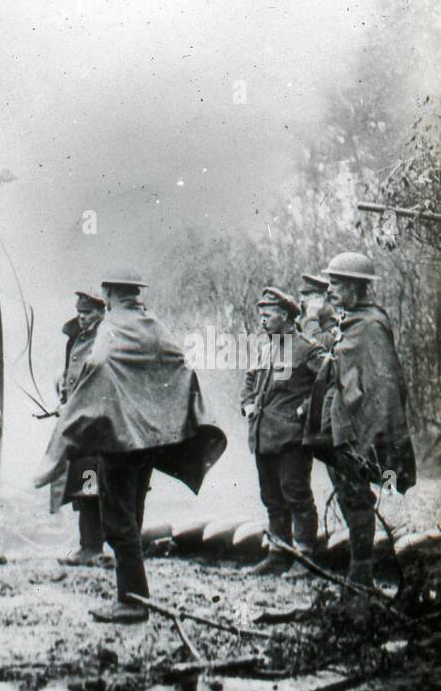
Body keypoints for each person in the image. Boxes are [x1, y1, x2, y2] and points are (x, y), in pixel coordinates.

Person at [35, 267, 226, 623]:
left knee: (118, 524)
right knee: (132, 518)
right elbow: (181, 365)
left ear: (108, 292)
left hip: (120, 440)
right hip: (148, 441)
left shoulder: (112, 326)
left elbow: (99, 362)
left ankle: (132, 602)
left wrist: (92, 401)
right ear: (136, 292)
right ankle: (136, 598)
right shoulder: (154, 325)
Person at [303, 251, 415, 592]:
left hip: (359, 429)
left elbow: (385, 384)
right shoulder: (349, 321)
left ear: (356, 286)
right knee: (348, 495)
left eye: (337, 284)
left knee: (357, 496)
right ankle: (359, 573)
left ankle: (361, 575)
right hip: (339, 427)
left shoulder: (371, 325)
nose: (330, 290)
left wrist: (373, 436)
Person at [241, 287, 320, 577]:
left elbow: (328, 382)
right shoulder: (264, 348)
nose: (262, 320)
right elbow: (249, 382)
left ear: (285, 315)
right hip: (262, 436)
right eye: (260, 315)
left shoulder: (306, 348)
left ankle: (304, 556)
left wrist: (305, 411)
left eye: (268, 315)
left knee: (296, 494)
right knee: (271, 497)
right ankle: (277, 553)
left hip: (291, 438)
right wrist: (247, 404)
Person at [50, 290, 107, 565]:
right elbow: (70, 376)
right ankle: (89, 545)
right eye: (80, 313)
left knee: (93, 486)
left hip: (96, 429)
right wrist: (62, 397)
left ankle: (94, 548)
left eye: (87, 314)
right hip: (79, 428)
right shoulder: (75, 338)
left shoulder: (105, 339)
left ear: (100, 313)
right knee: (84, 487)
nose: (82, 318)